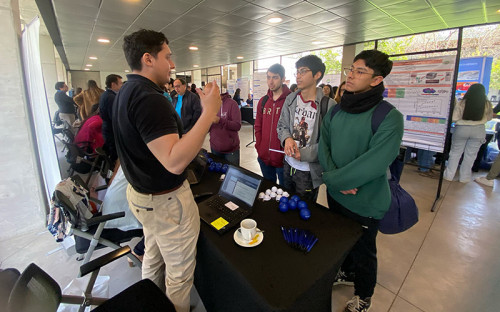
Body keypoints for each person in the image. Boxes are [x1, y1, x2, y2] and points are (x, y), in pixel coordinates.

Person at [113, 29, 221, 312]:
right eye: (167, 57)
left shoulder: (126, 91)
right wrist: (209, 113)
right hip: (166, 202)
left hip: (143, 197)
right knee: (179, 274)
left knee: (154, 254)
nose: (172, 65)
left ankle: (149, 302)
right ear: (148, 59)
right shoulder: (149, 98)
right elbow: (174, 161)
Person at [319, 50, 404, 312]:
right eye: (350, 70)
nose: (351, 76)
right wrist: (336, 182)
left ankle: (364, 294)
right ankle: (346, 272)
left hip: (366, 200)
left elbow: (376, 162)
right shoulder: (337, 111)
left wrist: (334, 180)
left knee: (365, 251)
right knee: (342, 241)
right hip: (337, 195)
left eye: (359, 71)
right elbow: (325, 147)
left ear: (377, 80)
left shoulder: (389, 117)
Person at [277, 55, 335, 200]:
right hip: (288, 164)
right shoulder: (291, 99)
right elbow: (282, 125)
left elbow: (329, 143)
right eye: (297, 72)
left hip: (308, 170)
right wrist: (287, 139)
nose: (298, 76)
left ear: (317, 75)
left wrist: (304, 154)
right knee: (285, 201)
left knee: (304, 209)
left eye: (303, 71)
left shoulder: (328, 105)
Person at [444, 83, 493, 183]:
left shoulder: (462, 102)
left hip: (462, 129)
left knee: (455, 154)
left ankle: (448, 176)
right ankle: (464, 178)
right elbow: (489, 118)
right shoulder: (487, 104)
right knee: (470, 156)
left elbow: (454, 118)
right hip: (478, 130)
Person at [255, 64, 291, 184]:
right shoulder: (263, 101)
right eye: (268, 77)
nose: (270, 81)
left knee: (284, 194)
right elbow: (258, 126)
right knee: (268, 191)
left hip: (283, 160)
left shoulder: (290, 101)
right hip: (264, 157)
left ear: (283, 79)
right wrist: (259, 147)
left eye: (275, 77)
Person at [209, 91, 241, 165]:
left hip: (231, 150)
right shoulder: (209, 105)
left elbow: (237, 125)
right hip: (215, 148)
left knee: (232, 175)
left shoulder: (232, 104)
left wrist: (220, 120)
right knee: (217, 175)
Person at [99, 74, 123, 164]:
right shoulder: (111, 97)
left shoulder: (106, 94)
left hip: (108, 129)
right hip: (111, 131)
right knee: (115, 156)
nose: (121, 86)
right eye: (120, 83)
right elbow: (114, 117)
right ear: (113, 84)